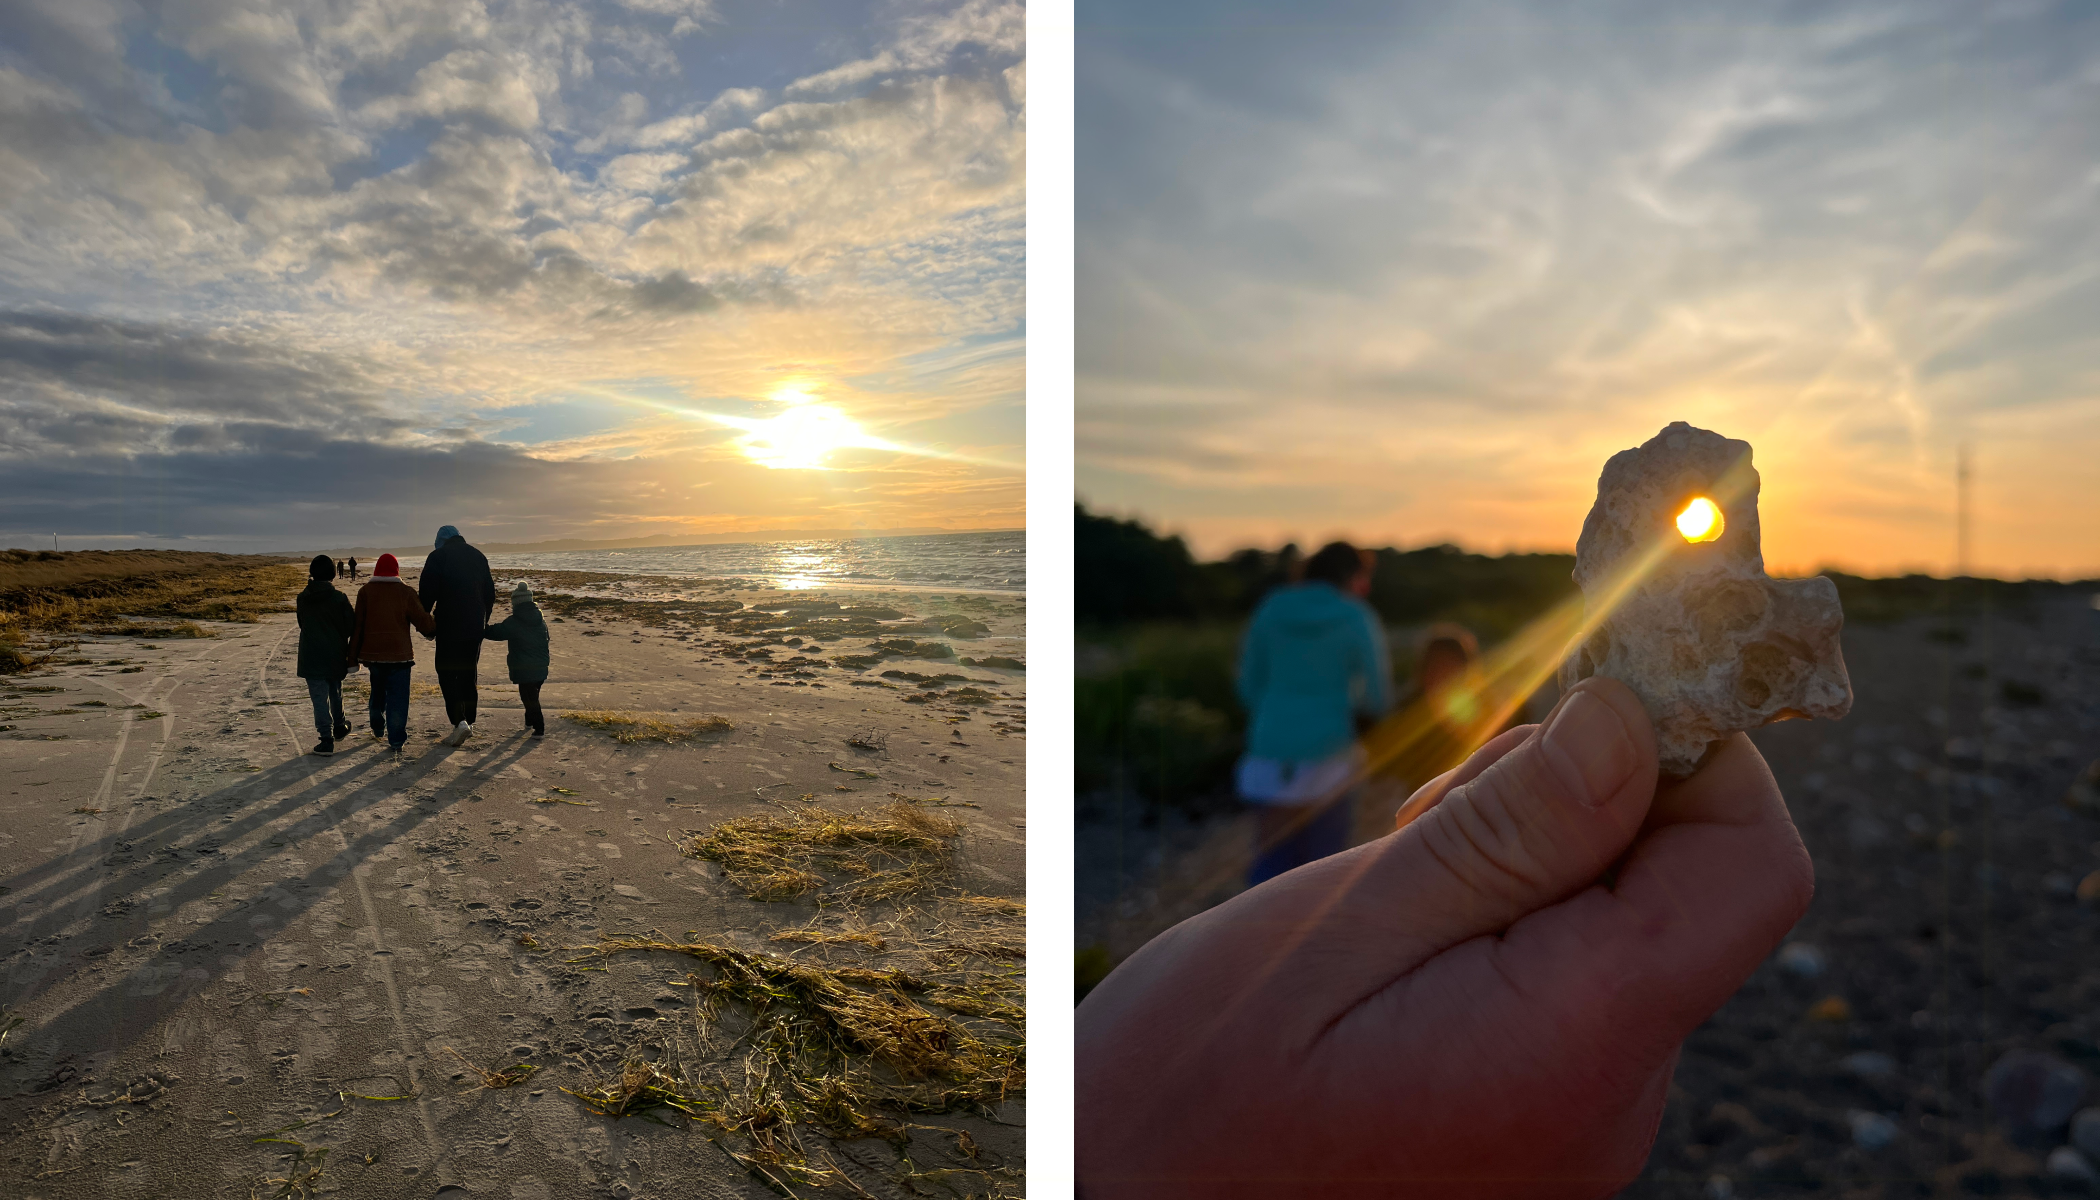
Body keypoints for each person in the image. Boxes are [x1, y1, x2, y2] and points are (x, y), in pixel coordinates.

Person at [1076, 676, 1814, 1198]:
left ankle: (1271, 945)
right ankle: (1290, 962)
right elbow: (1367, 684)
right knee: (1323, 848)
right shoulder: (1349, 616)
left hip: (1270, 744)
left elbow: (1246, 674)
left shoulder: (1274, 607)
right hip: (1328, 747)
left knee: (1278, 859)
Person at [1234, 540, 1391, 885]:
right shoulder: (1356, 616)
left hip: (1269, 751)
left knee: (1269, 869)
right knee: (1323, 874)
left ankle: (1257, 937)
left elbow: (1246, 686)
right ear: (1353, 576)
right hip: (1331, 755)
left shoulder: (1271, 607)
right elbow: (1378, 696)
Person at [348, 552, 435, 753]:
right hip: (400, 655)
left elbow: (357, 627)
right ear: (396, 570)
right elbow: (424, 623)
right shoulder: (406, 592)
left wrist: (352, 658)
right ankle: (395, 739)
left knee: (377, 690)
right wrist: (435, 625)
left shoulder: (365, 592)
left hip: (373, 655)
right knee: (398, 697)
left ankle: (377, 725)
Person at [419, 524, 495, 747]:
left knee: (446, 673)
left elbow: (426, 596)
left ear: (440, 540)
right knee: (468, 673)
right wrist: (483, 619)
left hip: (448, 625)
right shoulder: (478, 556)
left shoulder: (437, 557)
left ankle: (459, 722)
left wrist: (427, 626)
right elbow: (489, 594)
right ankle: (469, 720)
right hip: (474, 627)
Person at [294, 554, 355, 755]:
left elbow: (302, 623)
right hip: (335, 652)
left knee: (319, 698)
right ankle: (338, 726)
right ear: (332, 574)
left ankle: (326, 737)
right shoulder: (339, 598)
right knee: (335, 691)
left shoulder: (303, 598)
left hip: (311, 653)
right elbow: (349, 627)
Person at [481, 580, 550, 737]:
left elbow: (497, 632)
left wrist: (481, 629)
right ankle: (529, 720)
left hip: (524, 666)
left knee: (529, 697)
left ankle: (539, 728)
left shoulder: (515, 622)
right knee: (532, 694)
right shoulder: (541, 620)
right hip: (541, 664)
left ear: (516, 603)